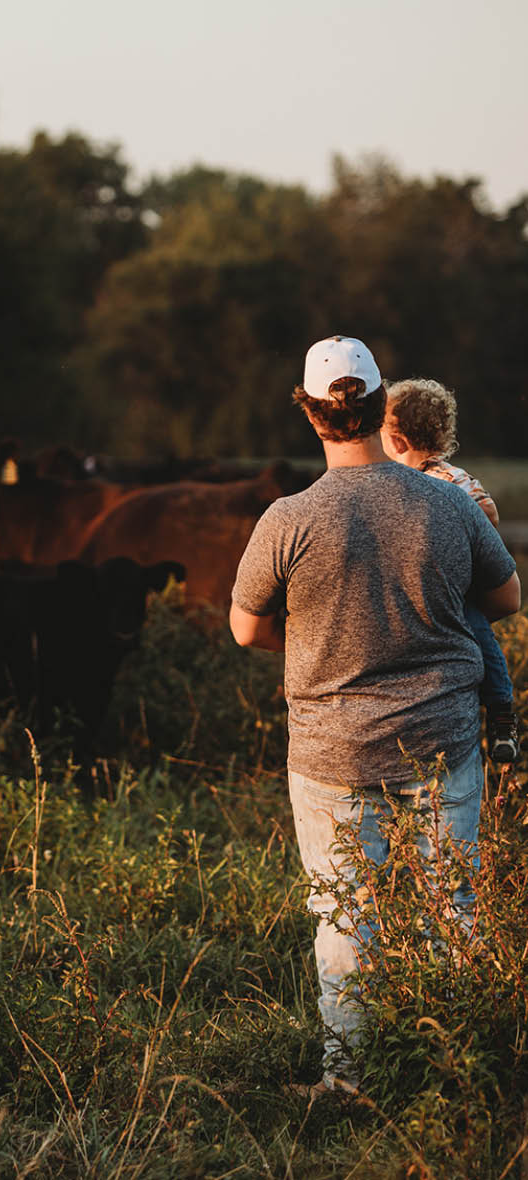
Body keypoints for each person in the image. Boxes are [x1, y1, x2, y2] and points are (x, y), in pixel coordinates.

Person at [229, 336, 521, 1094]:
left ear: (310, 412)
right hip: (442, 743)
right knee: (452, 907)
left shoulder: (287, 518)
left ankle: (349, 1081)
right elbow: (506, 597)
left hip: (331, 752)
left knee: (344, 917)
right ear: (381, 400)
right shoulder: (448, 502)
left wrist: (315, 646)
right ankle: (460, 1074)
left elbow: (245, 628)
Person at [381, 377, 519, 763]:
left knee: (479, 634)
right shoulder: (403, 481)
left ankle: (502, 715)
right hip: (423, 589)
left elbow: (486, 509)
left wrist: (463, 528)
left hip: (455, 589)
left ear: (396, 441)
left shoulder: (446, 478)